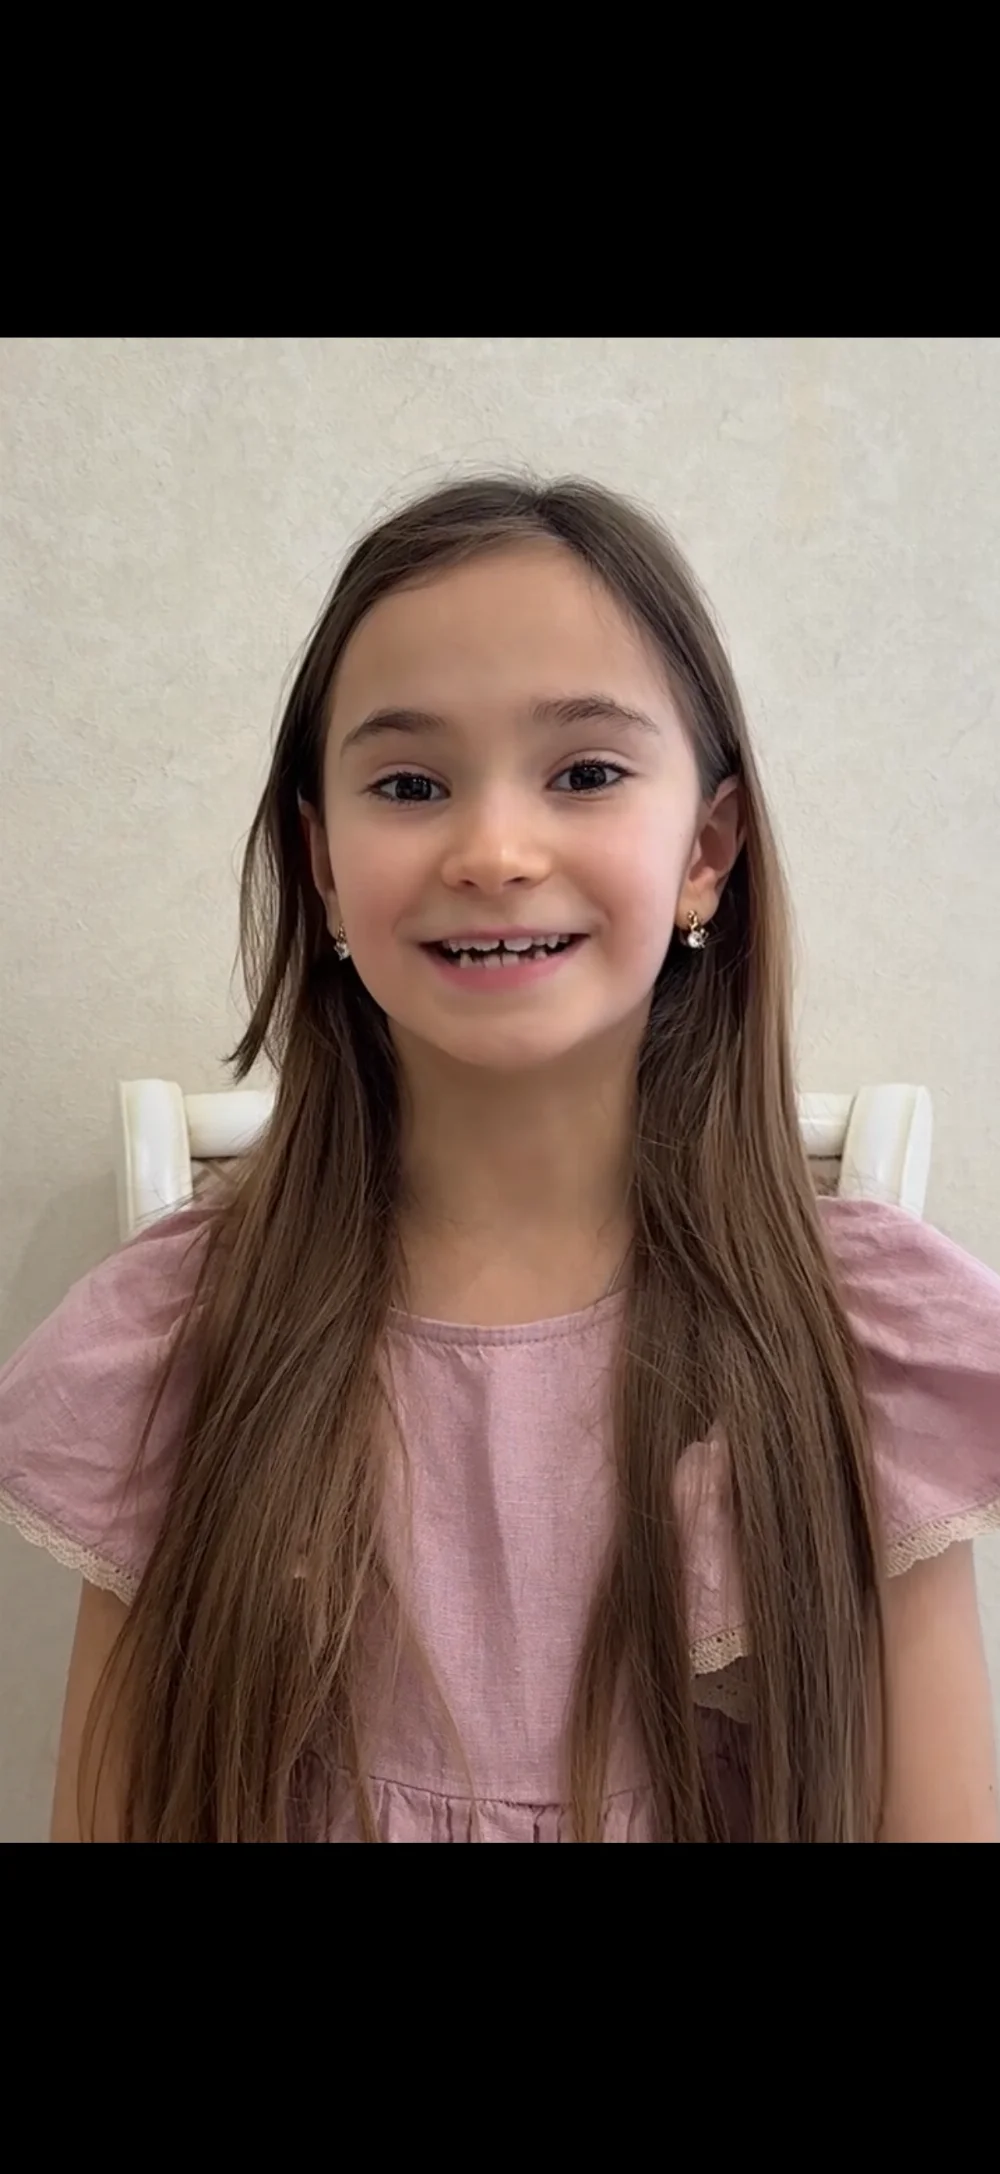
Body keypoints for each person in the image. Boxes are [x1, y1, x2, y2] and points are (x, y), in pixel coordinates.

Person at [1, 474, 998, 1844]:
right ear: (324, 865)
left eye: (585, 773)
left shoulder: (856, 1345)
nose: (493, 849)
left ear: (707, 851)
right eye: (411, 784)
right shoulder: (180, 1341)